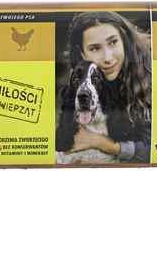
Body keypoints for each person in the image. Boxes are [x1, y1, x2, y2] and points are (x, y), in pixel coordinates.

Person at [60, 11, 152, 162]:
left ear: (124, 40)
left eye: (113, 42)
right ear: (83, 54)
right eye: (95, 48)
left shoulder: (151, 74)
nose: (108, 58)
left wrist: (103, 143)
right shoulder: (85, 78)